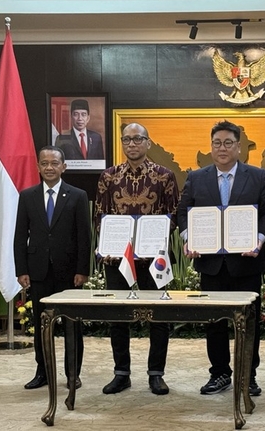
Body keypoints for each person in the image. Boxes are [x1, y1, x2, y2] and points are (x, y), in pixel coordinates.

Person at [177, 120, 265, 397]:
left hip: (246, 262)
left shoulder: (257, 176)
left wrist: (258, 239)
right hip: (211, 264)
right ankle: (220, 373)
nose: (222, 148)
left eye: (228, 143)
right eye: (217, 143)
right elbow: (183, 212)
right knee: (215, 322)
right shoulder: (197, 178)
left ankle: (248, 374)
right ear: (211, 147)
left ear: (239, 147)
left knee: (249, 321)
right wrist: (190, 239)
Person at [94, 122, 179, 396]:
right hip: (117, 259)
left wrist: (155, 237)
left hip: (154, 259)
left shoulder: (164, 177)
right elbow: (100, 216)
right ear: (122, 143)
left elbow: (174, 216)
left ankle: (156, 374)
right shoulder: (109, 177)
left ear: (148, 143)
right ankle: (121, 373)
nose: (132, 144)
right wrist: (106, 243)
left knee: (158, 317)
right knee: (118, 316)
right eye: (127, 139)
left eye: (137, 139)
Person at [14, 145, 90, 390]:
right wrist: (21, 269)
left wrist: (82, 270)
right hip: (38, 271)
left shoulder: (77, 196)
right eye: (44, 163)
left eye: (54, 163)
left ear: (63, 167)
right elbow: (19, 236)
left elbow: (84, 237)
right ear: (38, 166)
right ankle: (43, 372)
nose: (49, 167)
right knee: (41, 325)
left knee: (71, 325)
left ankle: (72, 374)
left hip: (69, 272)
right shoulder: (27, 196)